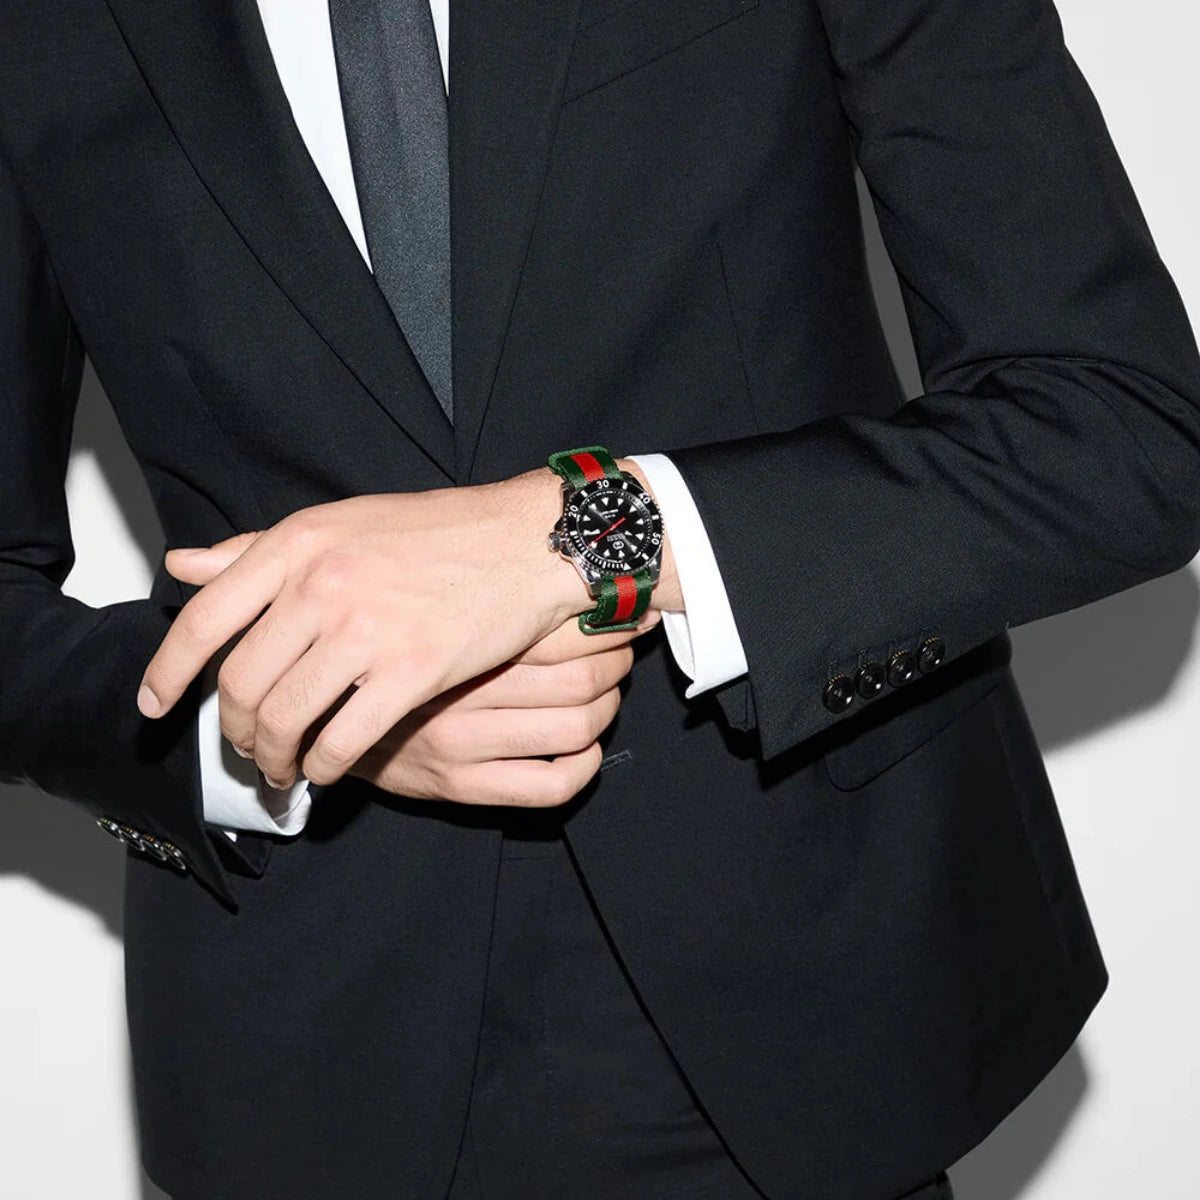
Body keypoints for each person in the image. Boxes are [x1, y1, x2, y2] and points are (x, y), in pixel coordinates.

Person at [1, 0, 1197, 1196]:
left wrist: (582, 534)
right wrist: (278, 711)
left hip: (808, 995)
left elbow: (1117, 423)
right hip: (306, 1062)